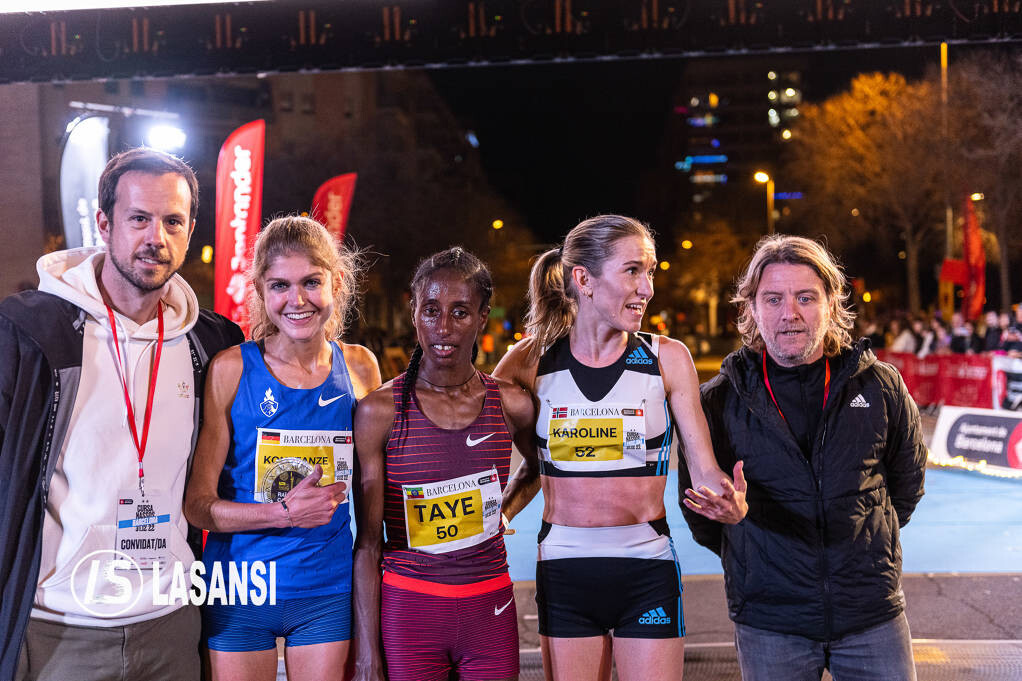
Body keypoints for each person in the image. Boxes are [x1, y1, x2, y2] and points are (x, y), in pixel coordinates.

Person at [1, 147, 244, 681]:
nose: (156, 237)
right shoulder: (29, 334)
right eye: (139, 219)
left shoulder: (213, 344)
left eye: (172, 221)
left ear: (191, 230)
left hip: (172, 624)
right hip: (58, 630)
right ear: (105, 223)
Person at [493, 215, 747, 681]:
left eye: (650, 271)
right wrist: (498, 511)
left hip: (647, 569)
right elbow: (494, 449)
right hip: (564, 570)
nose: (647, 288)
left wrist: (730, 501)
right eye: (632, 271)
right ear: (583, 279)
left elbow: (706, 472)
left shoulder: (667, 358)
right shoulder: (529, 361)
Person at [680, 234, 927, 681]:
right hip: (769, 620)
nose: (789, 313)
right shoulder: (717, 401)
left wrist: (866, 549)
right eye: (773, 299)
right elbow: (701, 512)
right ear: (752, 308)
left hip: (871, 614)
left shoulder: (880, 386)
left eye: (805, 297)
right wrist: (743, 535)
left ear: (831, 301)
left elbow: (906, 486)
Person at [183, 216, 381, 680]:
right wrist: (284, 513)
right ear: (259, 290)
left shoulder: (360, 368)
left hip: (325, 589)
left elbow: (376, 496)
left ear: (337, 281)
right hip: (241, 586)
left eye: (311, 282)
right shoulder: (231, 369)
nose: (297, 300)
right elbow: (197, 506)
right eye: (280, 285)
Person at [352, 247, 535, 681]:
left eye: (461, 312)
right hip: (410, 610)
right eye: (431, 311)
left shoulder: (511, 404)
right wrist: (366, 653)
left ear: (483, 317)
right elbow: (368, 545)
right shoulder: (379, 412)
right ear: (414, 313)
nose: (444, 328)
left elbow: (542, 466)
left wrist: (504, 511)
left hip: (489, 609)